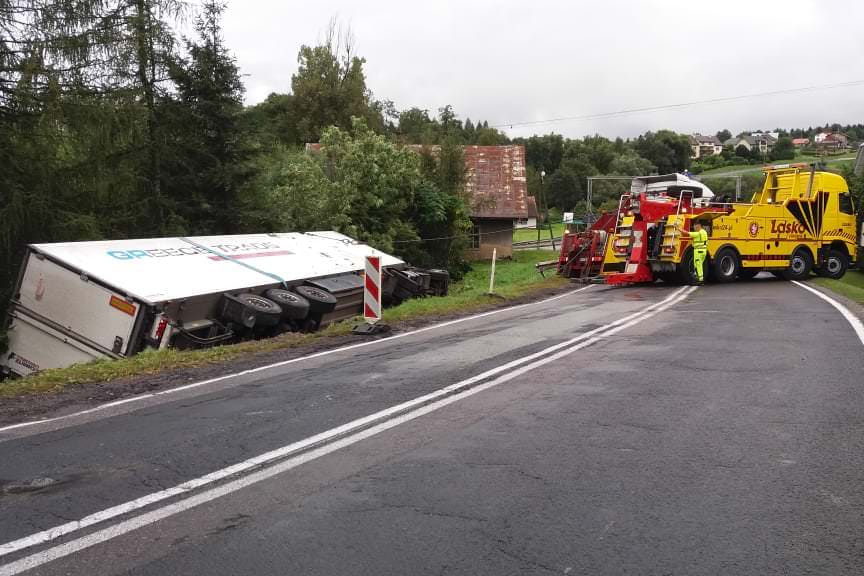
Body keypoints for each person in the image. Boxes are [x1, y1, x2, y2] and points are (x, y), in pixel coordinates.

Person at [676, 220, 708, 284]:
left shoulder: (697, 233)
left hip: (698, 251)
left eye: (695, 226)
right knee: (699, 265)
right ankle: (698, 278)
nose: (694, 227)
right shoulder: (704, 232)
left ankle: (700, 280)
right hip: (704, 251)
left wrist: (678, 228)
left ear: (698, 226)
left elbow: (686, 233)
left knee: (697, 265)